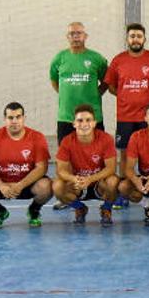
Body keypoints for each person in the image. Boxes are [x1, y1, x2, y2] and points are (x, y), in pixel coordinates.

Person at [105, 23, 149, 208]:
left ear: (144, 39)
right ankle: (125, 192)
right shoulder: (118, 61)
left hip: (148, 119)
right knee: (125, 155)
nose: (135, 39)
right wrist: (126, 96)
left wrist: (146, 100)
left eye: (139, 36)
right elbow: (111, 86)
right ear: (127, 39)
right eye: (132, 36)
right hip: (125, 117)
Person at [49, 21, 108, 209]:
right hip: (66, 117)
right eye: (72, 34)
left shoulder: (97, 59)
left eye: (79, 33)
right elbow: (55, 82)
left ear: (85, 36)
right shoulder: (59, 59)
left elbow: (106, 81)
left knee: (97, 157)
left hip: (94, 117)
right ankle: (69, 195)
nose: (76, 36)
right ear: (67, 37)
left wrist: (94, 94)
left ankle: (100, 191)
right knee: (66, 160)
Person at [0, 102, 52, 229]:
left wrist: (21, 185)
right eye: (10, 118)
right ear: (5, 119)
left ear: (24, 118)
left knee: (47, 187)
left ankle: (34, 211)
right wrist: (1, 186)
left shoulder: (37, 137)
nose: (14, 121)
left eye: (18, 117)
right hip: (1, 185)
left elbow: (42, 167)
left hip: (26, 184)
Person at [52, 104, 120, 226]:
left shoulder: (106, 139)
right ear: (74, 124)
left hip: (99, 183)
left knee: (113, 181)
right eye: (80, 120)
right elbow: (61, 170)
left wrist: (91, 179)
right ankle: (80, 208)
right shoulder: (67, 141)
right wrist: (74, 178)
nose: (84, 124)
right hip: (78, 184)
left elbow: (111, 168)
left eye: (88, 120)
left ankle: (106, 209)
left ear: (94, 123)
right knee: (57, 186)